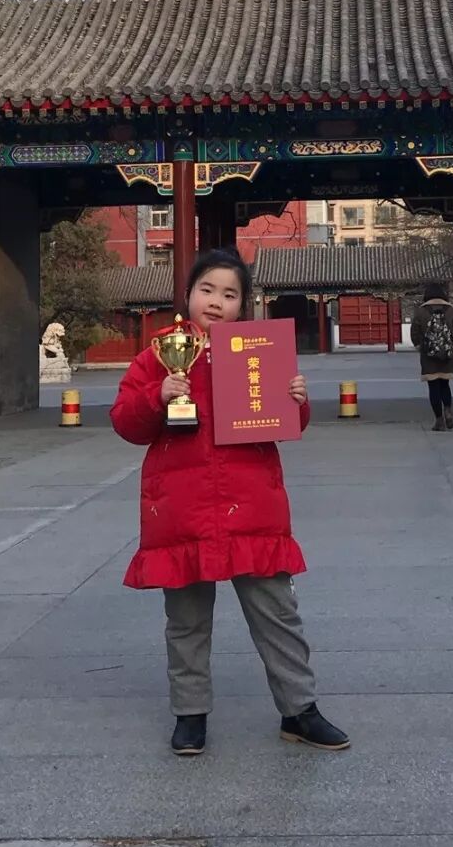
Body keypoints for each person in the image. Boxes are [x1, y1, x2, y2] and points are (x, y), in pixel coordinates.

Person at [110, 246, 350, 758]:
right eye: (207, 290)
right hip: (182, 508)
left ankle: (299, 710)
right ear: (188, 294)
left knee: (277, 614)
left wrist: (296, 400)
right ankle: (190, 714)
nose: (216, 302)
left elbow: (286, 426)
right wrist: (157, 395)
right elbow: (126, 422)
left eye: (230, 294)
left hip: (251, 506)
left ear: (244, 304)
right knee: (186, 621)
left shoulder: (257, 353)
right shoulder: (157, 355)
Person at [409, 281, 453, 431]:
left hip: (429, 356)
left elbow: (414, 333)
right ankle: (448, 410)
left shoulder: (421, 311)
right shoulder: (451, 310)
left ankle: (439, 420)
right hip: (447, 355)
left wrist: (420, 346)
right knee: (444, 384)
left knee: (433, 386)